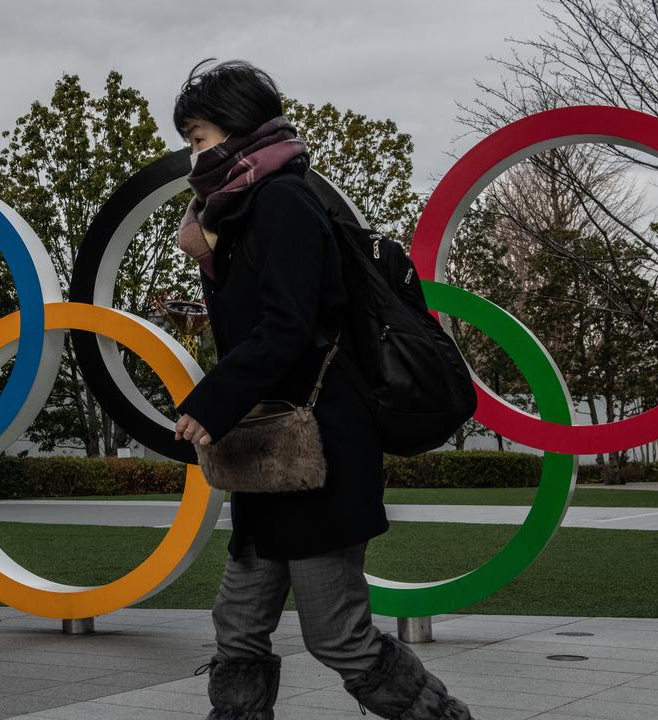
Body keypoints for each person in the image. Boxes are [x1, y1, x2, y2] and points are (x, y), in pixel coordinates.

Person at [170, 57, 474, 720]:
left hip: (322, 454)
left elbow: (288, 328)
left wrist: (212, 402)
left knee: (339, 637)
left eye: (197, 137)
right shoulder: (243, 213)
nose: (192, 154)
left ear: (239, 130)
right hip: (273, 455)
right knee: (239, 629)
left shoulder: (284, 202)